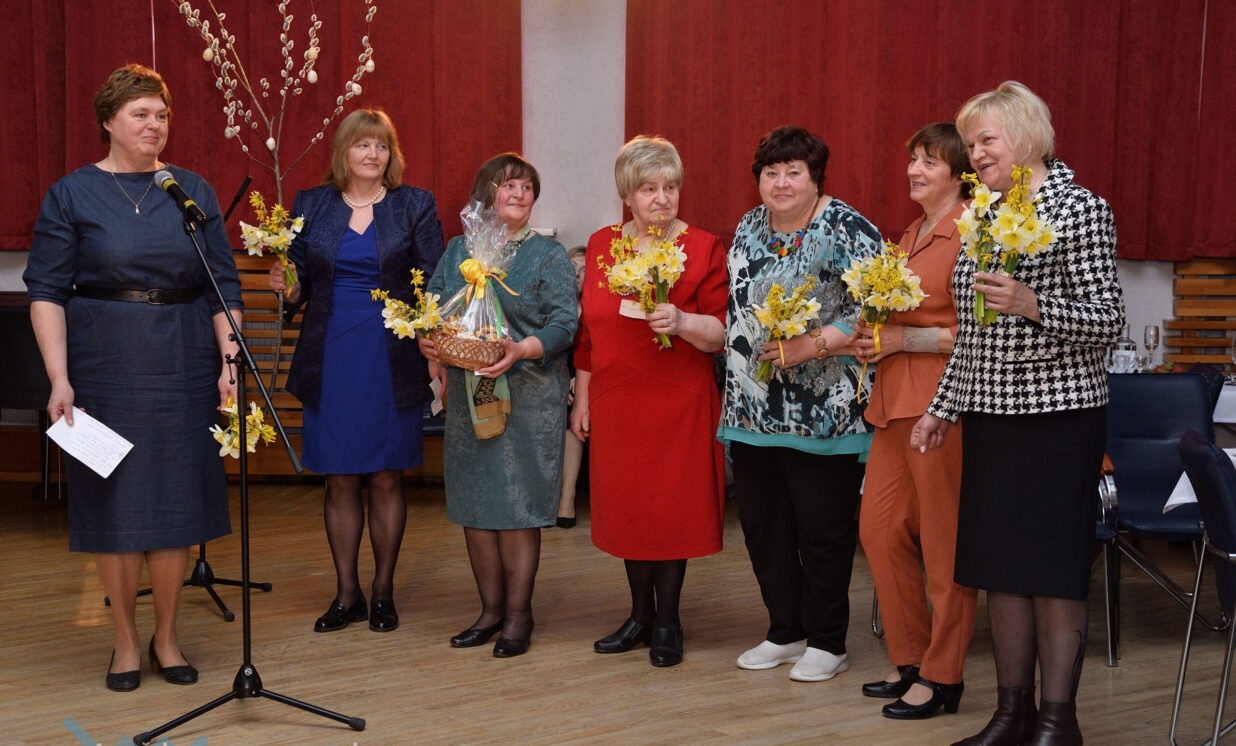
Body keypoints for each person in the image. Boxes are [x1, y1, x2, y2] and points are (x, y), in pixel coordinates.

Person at [912, 82, 1125, 745]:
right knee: (1001, 570)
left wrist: (1034, 303)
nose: (975, 154)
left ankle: (1058, 723)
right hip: (993, 420)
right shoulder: (981, 215)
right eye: (970, 143)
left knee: (1053, 576)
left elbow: (1109, 321)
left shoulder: (1080, 208)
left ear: (1027, 137)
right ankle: (1011, 715)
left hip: (1060, 421)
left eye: (987, 140)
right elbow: (973, 335)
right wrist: (942, 409)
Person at [24, 64, 243, 691]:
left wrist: (229, 365)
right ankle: (124, 641)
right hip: (104, 364)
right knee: (114, 504)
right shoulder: (72, 193)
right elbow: (46, 291)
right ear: (108, 121)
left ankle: (166, 638)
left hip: (182, 362)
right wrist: (59, 378)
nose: (155, 125)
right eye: (140, 114)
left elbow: (222, 288)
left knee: (174, 504)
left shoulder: (189, 190)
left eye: (162, 115)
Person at [719, 125, 882, 682]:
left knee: (822, 531)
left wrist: (812, 344)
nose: (782, 183)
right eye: (772, 172)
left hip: (825, 411)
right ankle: (785, 631)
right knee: (764, 528)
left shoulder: (847, 227)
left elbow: (876, 304)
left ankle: (828, 641)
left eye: (794, 172)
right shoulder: (748, 225)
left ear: (816, 178)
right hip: (752, 407)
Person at [272, 108, 444, 634]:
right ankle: (347, 593)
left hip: (391, 356)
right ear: (343, 151)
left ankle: (383, 592)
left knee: (387, 476)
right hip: (330, 355)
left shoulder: (414, 204)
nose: (373, 154)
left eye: (382, 146)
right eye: (362, 145)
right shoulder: (312, 203)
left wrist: (433, 350)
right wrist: (287, 287)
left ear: (392, 154)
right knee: (340, 478)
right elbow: (299, 287)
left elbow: (433, 281)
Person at [571, 136, 728, 667]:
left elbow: (721, 333)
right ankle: (639, 615)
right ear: (627, 196)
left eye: (670, 187)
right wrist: (582, 398)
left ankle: (668, 621)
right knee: (630, 510)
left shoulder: (703, 247)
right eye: (649, 189)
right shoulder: (602, 245)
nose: (662, 198)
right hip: (617, 399)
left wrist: (682, 322)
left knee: (670, 510)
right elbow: (589, 334)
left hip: (678, 401)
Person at [420, 153, 576, 658]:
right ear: (486, 193)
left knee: (518, 507)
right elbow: (435, 305)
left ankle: (518, 615)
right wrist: (429, 339)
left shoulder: (548, 254)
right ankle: (489, 611)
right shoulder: (459, 248)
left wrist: (521, 349)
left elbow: (565, 324)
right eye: (509, 185)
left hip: (529, 397)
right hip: (469, 395)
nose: (520, 194)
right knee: (476, 505)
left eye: (527, 188)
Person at [850, 123, 977, 719]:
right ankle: (910, 659)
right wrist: (872, 333)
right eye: (913, 159)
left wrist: (904, 338)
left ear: (959, 173)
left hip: (939, 407)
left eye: (929, 161)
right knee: (878, 530)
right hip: (891, 402)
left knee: (944, 546)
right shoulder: (909, 233)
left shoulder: (973, 234)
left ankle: (944, 675)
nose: (914, 170)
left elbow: (977, 334)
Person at [557, 245, 588, 529]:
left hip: (592, 384)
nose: (577, 275)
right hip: (559, 383)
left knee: (574, 416)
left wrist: (583, 380)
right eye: (572, 269)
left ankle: (567, 499)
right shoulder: (554, 309)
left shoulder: (598, 310)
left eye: (584, 270)